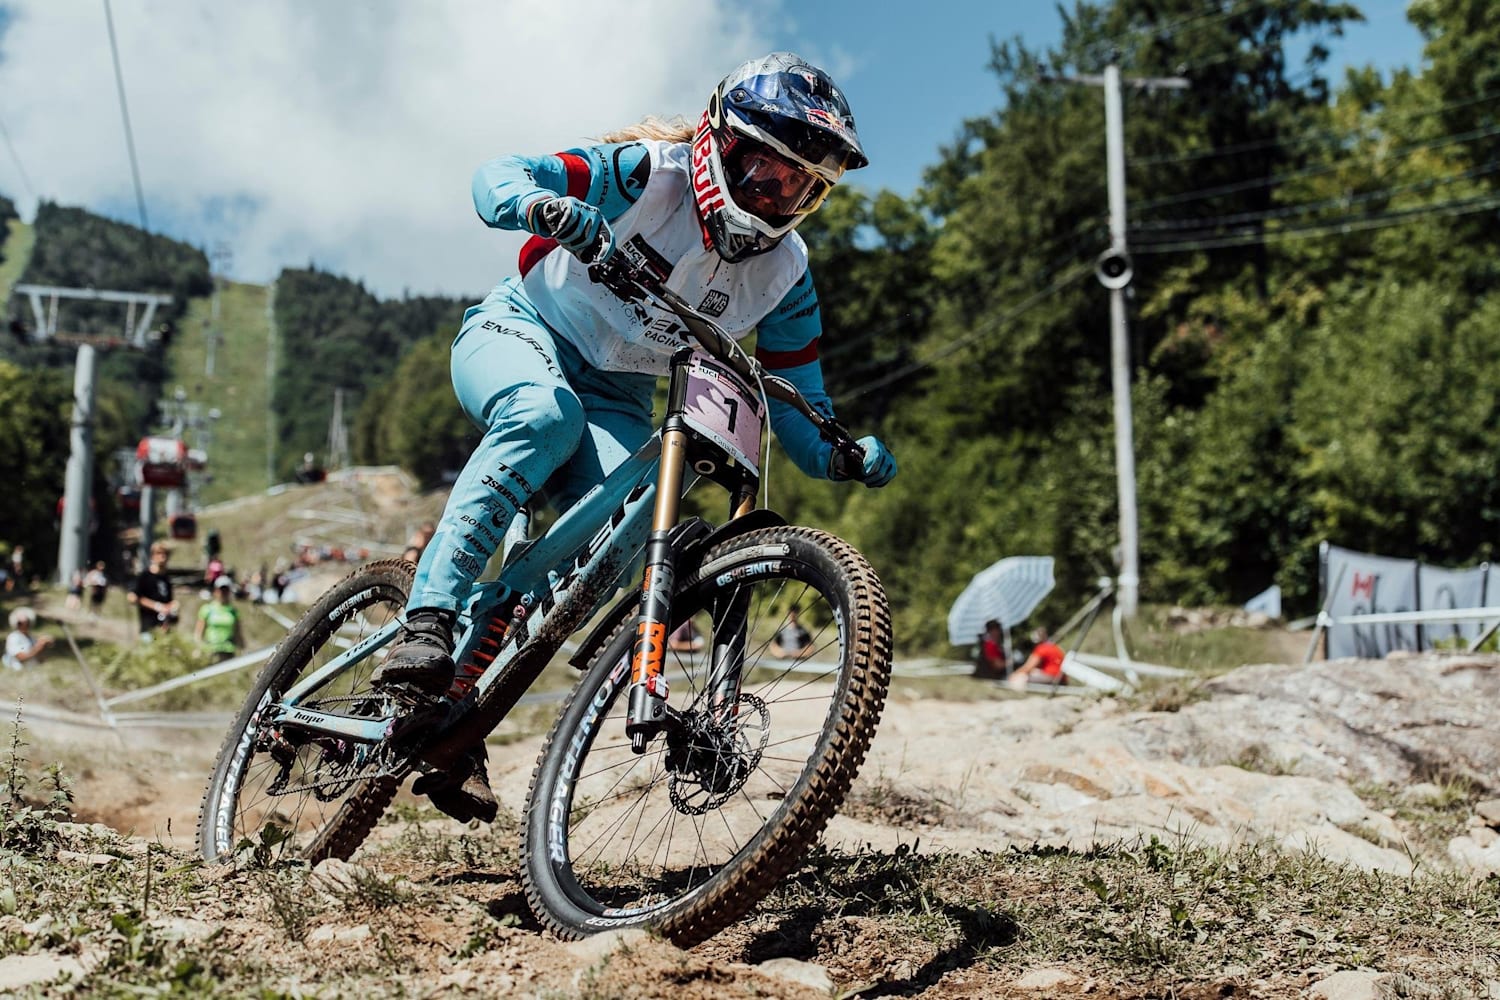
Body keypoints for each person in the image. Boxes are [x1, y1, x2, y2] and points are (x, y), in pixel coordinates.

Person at [371, 53, 896, 824]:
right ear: (721, 140)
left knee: (635, 524)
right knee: (544, 417)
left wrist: (840, 452)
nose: (778, 196)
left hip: (619, 389)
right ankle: (425, 627)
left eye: (802, 186)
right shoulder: (651, 175)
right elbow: (497, 176)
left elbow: (800, 398)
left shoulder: (786, 270)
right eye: (767, 171)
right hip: (522, 329)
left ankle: (455, 709)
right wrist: (543, 209)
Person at [128, 543, 180, 640]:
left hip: (162, 629)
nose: (162, 556)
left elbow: (168, 602)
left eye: (165, 554)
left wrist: (172, 607)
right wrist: (156, 606)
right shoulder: (145, 576)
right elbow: (133, 597)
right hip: (148, 628)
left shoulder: (166, 579)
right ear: (153, 556)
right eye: (159, 553)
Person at [195, 576, 242, 661]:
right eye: (221, 589)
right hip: (210, 652)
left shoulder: (233, 611)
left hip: (228, 652)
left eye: (226, 590)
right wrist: (198, 649)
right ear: (216, 590)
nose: (223, 593)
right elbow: (198, 634)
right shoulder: (207, 609)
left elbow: (238, 634)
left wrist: (243, 651)